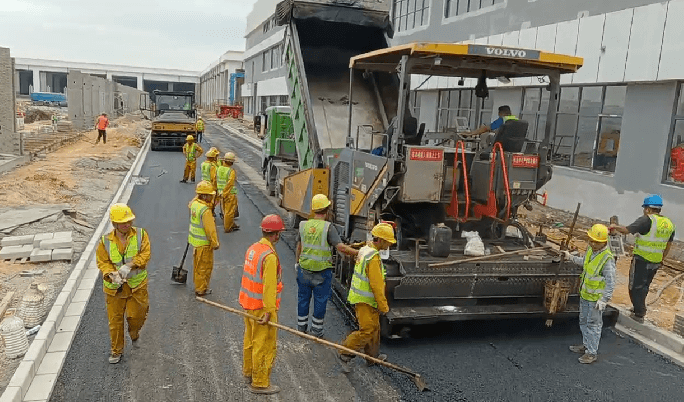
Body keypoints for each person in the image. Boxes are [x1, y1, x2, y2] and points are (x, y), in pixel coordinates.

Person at [296, 194, 358, 337]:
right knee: (320, 301)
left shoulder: (303, 225)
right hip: (322, 272)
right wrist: (358, 252)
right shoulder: (328, 228)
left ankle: (301, 328)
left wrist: (296, 263)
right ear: (327, 210)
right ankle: (316, 331)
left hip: (303, 270)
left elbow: (299, 246)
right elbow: (341, 247)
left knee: (303, 299)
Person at [95, 203, 151, 364]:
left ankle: (134, 333)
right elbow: (103, 262)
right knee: (115, 321)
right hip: (115, 290)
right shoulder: (105, 242)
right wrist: (110, 274)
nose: (127, 224)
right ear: (115, 223)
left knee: (137, 316)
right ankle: (116, 351)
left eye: (129, 221)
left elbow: (145, 254)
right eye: (123, 222)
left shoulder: (140, 235)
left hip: (137, 286)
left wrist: (130, 265)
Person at [338, 222, 395, 372]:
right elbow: (376, 286)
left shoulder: (367, 248)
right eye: (388, 241)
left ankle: (372, 357)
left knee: (375, 328)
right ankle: (345, 353)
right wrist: (384, 306)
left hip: (366, 299)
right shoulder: (373, 258)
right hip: (363, 299)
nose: (389, 244)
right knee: (367, 329)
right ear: (381, 240)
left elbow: (365, 244)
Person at [609, 195, 675, 323]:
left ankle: (639, 312)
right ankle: (638, 308)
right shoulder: (669, 223)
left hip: (642, 259)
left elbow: (626, 230)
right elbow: (668, 244)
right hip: (656, 260)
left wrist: (614, 226)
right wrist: (662, 259)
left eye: (644, 208)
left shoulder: (646, 220)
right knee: (645, 286)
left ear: (647, 209)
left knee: (634, 287)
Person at [240, 214, 286, 395]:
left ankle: (248, 372)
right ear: (276, 234)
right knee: (263, 344)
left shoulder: (253, 249)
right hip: (262, 308)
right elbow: (269, 287)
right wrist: (269, 311)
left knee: (250, 340)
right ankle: (259, 383)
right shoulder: (270, 256)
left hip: (248, 304)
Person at [562, 224, 615, 364]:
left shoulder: (607, 259)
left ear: (604, 242)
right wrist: (570, 257)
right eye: (590, 240)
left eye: (595, 242)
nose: (592, 243)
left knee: (594, 325)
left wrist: (604, 299)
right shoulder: (591, 251)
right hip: (585, 294)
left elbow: (610, 282)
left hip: (596, 299)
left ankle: (591, 353)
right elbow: (584, 263)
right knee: (583, 321)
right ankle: (586, 345)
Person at [188, 181, 220, 296]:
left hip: (195, 243)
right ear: (205, 196)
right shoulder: (205, 211)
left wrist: (198, 195)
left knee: (198, 266)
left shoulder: (194, 204)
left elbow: (191, 203)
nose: (212, 197)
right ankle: (201, 289)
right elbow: (210, 230)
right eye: (210, 195)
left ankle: (198, 285)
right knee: (204, 267)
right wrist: (215, 243)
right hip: (204, 244)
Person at [217, 152, 240, 232]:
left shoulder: (219, 169)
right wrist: (226, 193)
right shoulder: (231, 171)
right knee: (229, 212)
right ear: (231, 162)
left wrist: (222, 193)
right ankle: (228, 228)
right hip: (229, 194)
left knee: (225, 210)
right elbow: (230, 184)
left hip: (221, 193)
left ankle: (232, 224)